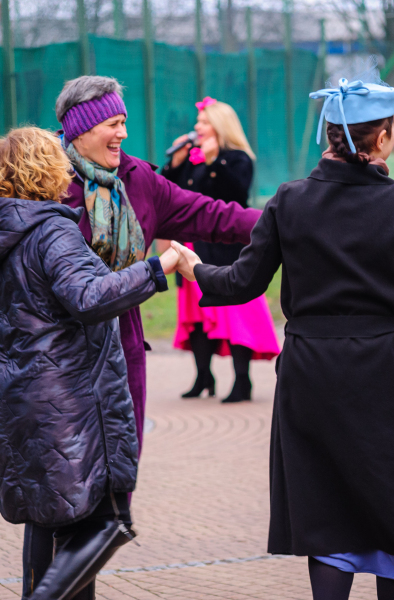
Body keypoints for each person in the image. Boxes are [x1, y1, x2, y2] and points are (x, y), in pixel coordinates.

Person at [168, 75, 394, 600]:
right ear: (382, 137)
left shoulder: (288, 200)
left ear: (331, 135)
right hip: (384, 374)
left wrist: (194, 268)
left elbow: (240, 283)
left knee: (326, 508)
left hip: (309, 375)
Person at [19, 76, 260, 600]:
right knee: (58, 504)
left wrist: (291, 221)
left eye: (124, 122)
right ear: (80, 128)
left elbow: (212, 215)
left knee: (108, 503)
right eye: (112, 123)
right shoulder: (45, 183)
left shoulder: (137, 179)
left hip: (120, 356)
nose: (123, 134)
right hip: (56, 366)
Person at [0, 127, 178, 600]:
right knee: (103, 520)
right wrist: (156, 268)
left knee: (50, 517)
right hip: (66, 403)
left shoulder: (11, 228)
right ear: (46, 169)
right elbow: (89, 296)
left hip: (24, 398)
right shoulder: (51, 229)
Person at [162, 97, 280, 402]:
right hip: (195, 247)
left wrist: (215, 162)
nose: (197, 127)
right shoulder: (191, 158)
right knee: (198, 318)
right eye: (198, 122)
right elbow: (169, 194)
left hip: (228, 251)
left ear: (219, 125)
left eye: (203, 122)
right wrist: (174, 164)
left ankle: (242, 380)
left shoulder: (238, 159)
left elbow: (235, 194)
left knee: (235, 314)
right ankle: (203, 376)